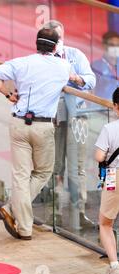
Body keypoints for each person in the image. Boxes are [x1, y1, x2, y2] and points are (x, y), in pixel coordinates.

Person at [0, 28, 70, 240]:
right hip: (43, 126)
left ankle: (24, 228)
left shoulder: (21, 62)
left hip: (18, 122)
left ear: (36, 43)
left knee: (20, 176)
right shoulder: (63, 66)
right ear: (55, 46)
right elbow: (78, 80)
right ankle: (10, 208)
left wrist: (7, 94)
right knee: (42, 172)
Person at [41, 20, 96, 230]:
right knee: (53, 166)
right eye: (53, 38)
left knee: (78, 168)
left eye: (59, 37)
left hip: (77, 117)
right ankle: (51, 212)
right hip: (52, 118)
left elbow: (91, 80)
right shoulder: (42, 58)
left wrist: (75, 78)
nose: (57, 42)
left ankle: (79, 212)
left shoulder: (75, 54)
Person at [95, 87, 119, 274]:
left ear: (116, 106)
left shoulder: (109, 128)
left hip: (114, 177)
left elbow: (99, 156)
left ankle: (114, 265)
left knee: (105, 223)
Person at [92, 31, 119, 101]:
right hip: (103, 108)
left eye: (118, 45)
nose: (115, 48)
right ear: (104, 45)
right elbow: (91, 91)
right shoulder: (95, 66)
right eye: (112, 45)